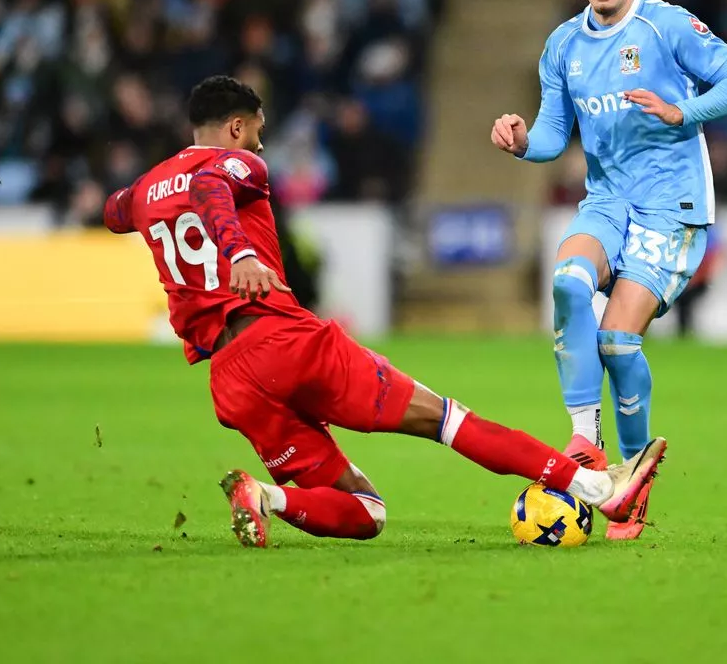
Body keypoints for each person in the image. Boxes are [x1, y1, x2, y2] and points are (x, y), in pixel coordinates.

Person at [103, 75, 664, 548]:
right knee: (448, 420)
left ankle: (266, 497)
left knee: (366, 512)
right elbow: (208, 186)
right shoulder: (238, 166)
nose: (259, 146)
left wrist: (143, 192)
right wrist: (243, 254)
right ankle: (599, 491)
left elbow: (114, 211)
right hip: (282, 342)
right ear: (234, 128)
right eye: (256, 132)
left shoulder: (151, 186)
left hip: (230, 382)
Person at [490, 0, 727, 539]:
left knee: (616, 342)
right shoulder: (563, 45)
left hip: (672, 208)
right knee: (565, 282)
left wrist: (681, 110)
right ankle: (585, 439)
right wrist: (523, 140)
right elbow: (557, 135)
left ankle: (633, 479)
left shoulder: (666, 26)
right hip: (607, 199)